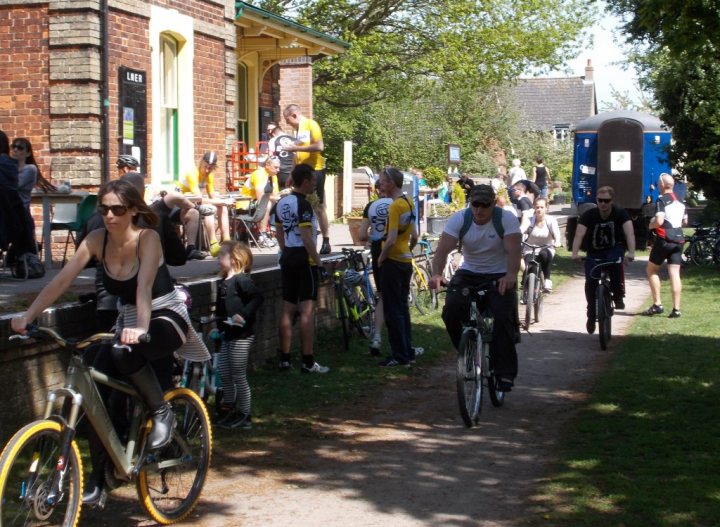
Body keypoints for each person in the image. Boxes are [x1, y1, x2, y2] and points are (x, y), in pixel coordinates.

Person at [11, 179, 210, 502]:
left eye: (118, 209)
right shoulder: (96, 240)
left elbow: (144, 288)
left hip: (164, 315)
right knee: (92, 382)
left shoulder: (147, 239)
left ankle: (161, 412)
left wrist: (141, 327)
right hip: (129, 320)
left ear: (133, 209)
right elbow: (61, 281)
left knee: (123, 352)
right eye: (104, 209)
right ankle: (100, 479)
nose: (109, 216)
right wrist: (28, 317)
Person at [429, 184, 522, 391]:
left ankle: (504, 372)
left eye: (484, 206)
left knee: (502, 315)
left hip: (499, 274)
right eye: (475, 205)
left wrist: (510, 275)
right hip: (469, 272)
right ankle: (466, 352)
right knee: (451, 310)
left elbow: (514, 250)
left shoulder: (505, 219)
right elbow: (442, 251)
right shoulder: (460, 219)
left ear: (493, 204)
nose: (479, 210)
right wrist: (436, 274)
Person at [271, 163, 330, 373]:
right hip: (305, 260)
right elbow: (307, 238)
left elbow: (278, 233)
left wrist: (285, 251)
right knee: (306, 310)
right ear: (305, 181)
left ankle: (285, 359)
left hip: (287, 256)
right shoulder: (303, 205)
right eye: (313, 180)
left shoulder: (280, 203)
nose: (315, 183)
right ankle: (307, 361)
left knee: (287, 308)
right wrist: (320, 263)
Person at [571, 185, 636, 334]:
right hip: (594, 251)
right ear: (596, 200)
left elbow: (630, 233)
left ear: (612, 200)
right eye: (600, 200)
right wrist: (574, 253)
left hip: (614, 248)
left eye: (606, 201)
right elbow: (579, 234)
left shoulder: (620, 213)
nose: (603, 204)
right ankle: (591, 311)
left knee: (616, 262)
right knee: (591, 281)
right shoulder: (589, 215)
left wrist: (631, 252)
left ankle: (618, 295)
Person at [117, 155, 207, 260]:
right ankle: (198, 208)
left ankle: (191, 249)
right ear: (125, 169)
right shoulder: (118, 188)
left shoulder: (140, 181)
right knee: (174, 197)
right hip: (147, 215)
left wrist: (158, 193)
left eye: (136, 168)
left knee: (192, 213)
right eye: (134, 168)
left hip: (158, 209)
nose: (137, 171)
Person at [215, 241, 264, 429]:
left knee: (238, 374)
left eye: (221, 256)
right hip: (227, 334)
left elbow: (257, 297)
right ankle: (229, 409)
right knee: (225, 373)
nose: (218, 259)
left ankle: (245, 413)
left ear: (234, 259)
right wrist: (218, 327)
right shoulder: (223, 282)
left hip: (241, 335)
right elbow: (221, 310)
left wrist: (242, 315)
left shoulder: (242, 280)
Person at [376, 166, 419, 367]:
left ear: (391, 183)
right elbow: (415, 236)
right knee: (403, 308)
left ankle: (399, 356)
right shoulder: (409, 202)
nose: (380, 184)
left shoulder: (394, 207)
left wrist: (381, 258)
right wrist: (407, 250)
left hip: (392, 262)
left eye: (383, 181)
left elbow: (391, 239)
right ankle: (407, 351)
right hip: (405, 260)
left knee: (392, 310)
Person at [281, 104, 331, 254]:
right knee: (303, 203)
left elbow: (319, 146)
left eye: (287, 119)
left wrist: (296, 148)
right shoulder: (297, 130)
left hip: (315, 170)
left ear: (294, 115)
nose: (287, 123)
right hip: (301, 170)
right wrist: (291, 172)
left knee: (318, 205)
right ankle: (308, 238)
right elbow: (297, 155)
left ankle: (326, 240)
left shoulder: (311, 124)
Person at [644, 173, 687, 318]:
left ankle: (657, 304)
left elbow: (659, 221)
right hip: (679, 240)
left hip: (664, 239)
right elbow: (685, 221)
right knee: (675, 273)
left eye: (658, 183)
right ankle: (676, 309)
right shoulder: (681, 200)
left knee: (651, 270)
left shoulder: (661, 200)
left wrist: (651, 225)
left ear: (662, 185)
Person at [358, 178, 393, 356]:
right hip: (395, 252)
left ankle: (377, 337)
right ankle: (402, 343)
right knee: (397, 298)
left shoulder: (370, 206)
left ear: (377, 190)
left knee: (381, 296)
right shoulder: (398, 203)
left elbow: (362, 235)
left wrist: (375, 238)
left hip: (377, 250)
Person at [178, 151, 231, 257]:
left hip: (194, 203)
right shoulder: (192, 173)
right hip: (183, 204)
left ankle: (226, 241)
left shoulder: (209, 176)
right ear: (201, 162)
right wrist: (220, 201)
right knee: (209, 209)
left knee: (223, 207)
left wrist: (222, 203)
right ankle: (213, 243)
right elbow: (199, 198)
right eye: (205, 166)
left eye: (210, 168)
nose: (207, 170)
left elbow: (212, 196)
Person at [521, 197, 562, 292]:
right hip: (530, 248)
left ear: (546, 208)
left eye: (542, 207)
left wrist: (557, 241)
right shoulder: (530, 220)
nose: (539, 209)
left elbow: (556, 233)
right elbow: (522, 229)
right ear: (534, 208)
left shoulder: (551, 220)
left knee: (544, 254)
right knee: (529, 267)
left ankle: (547, 279)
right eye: (537, 207)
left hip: (547, 247)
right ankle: (527, 290)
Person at [241, 156, 281, 247]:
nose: (278, 170)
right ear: (267, 165)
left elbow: (276, 194)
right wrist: (274, 197)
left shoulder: (273, 176)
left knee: (280, 204)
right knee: (267, 203)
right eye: (276, 167)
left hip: (256, 202)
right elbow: (260, 197)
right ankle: (262, 235)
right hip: (245, 203)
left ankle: (277, 233)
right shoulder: (259, 174)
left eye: (279, 167)